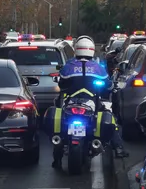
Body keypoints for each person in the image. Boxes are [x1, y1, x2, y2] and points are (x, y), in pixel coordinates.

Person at [51, 35, 128, 169]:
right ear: (91, 50)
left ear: (76, 49)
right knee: (111, 118)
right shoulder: (98, 67)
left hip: (71, 103)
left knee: (59, 123)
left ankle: (57, 158)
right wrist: (111, 87)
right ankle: (119, 148)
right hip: (91, 103)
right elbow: (108, 85)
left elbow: (62, 83)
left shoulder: (69, 66)